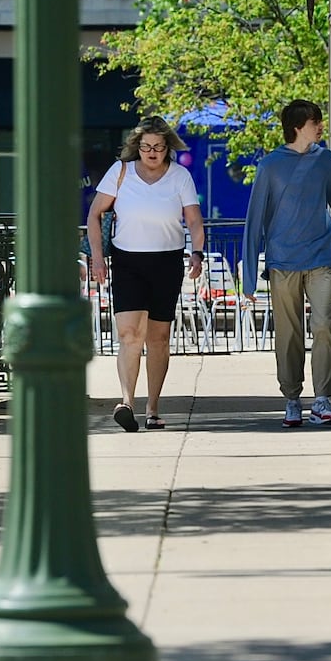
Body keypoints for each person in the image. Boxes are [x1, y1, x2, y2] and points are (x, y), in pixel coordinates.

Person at [242, 100, 331, 428]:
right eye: (314, 121)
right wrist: (249, 278)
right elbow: (254, 222)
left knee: (323, 324)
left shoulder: (328, 162)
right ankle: (292, 398)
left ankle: (322, 399)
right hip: (282, 261)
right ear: (297, 126)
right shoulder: (270, 166)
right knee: (288, 334)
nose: (320, 126)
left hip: (320, 258)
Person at [86, 116, 205, 432]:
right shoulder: (120, 173)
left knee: (159, 337)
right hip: (127, 261)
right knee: (129, 334)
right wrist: (98, 257)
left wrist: (197, 252)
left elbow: (194, 220)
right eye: (146, 147)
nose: (151, 153)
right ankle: (127, 402)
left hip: (166, 261)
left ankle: (153, 408)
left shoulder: (180, 177)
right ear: (136, 147)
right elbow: (95, 214)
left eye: (158, 147)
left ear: (167, 149)